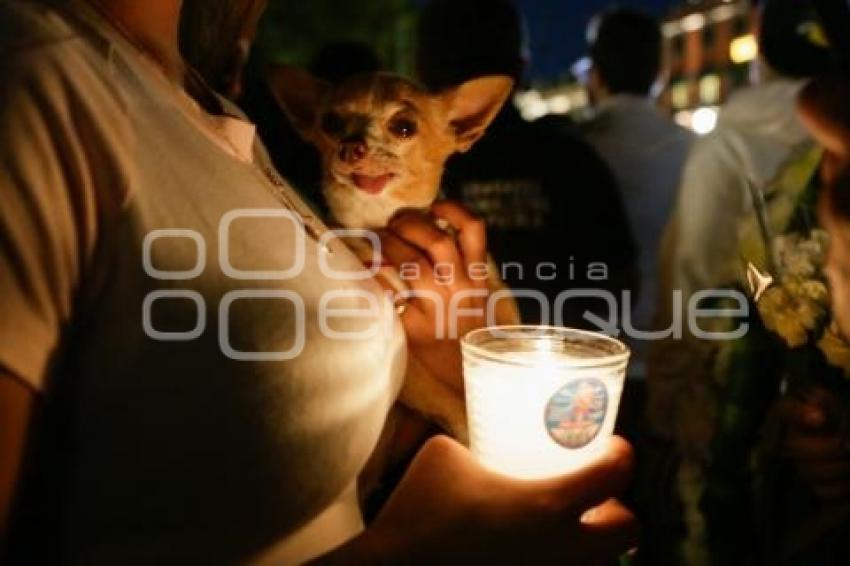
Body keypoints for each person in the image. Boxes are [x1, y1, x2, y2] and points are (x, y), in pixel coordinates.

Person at [0, 0, 636, 563]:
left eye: (402, 126)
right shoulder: (38, 81)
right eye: (336, 127)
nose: (358, 146)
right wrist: (415, 550)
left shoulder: (216, 119)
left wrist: (456, 365)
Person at [648, 0, 840, 562]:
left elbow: (693, 288)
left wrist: (665, 415)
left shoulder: (726, 147)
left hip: (743, 412)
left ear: (761, 49)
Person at [416, 0, 637, 328]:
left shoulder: (388, 178)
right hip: (560, 365)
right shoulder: (572, 160)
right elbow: (621, 283)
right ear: (520, 68)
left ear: (419, 69)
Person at [582, 7, 694, 382]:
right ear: (660, 74)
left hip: (584, 350)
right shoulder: (692, 150)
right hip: (669, 346)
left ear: (595, 75)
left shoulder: (578, 147)